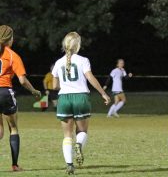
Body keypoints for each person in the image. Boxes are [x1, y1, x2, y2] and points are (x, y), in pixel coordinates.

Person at [52, 32, 110, 174]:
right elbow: (90, 78)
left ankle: (70, 165)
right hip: (81, 98)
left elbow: (54, 86)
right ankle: (78, 145)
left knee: (67, 135)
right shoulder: (83, 60)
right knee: (82, 131)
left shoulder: (58, 62)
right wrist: (103, 93)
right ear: (77, 45)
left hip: (64, 99)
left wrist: (66, 86)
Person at [0, 25, 41, 171]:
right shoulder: (12, 55)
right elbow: (23, 81)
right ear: (9, 39)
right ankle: (15, 165)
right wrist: (34, 91)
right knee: (13, 128)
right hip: (5, 93)